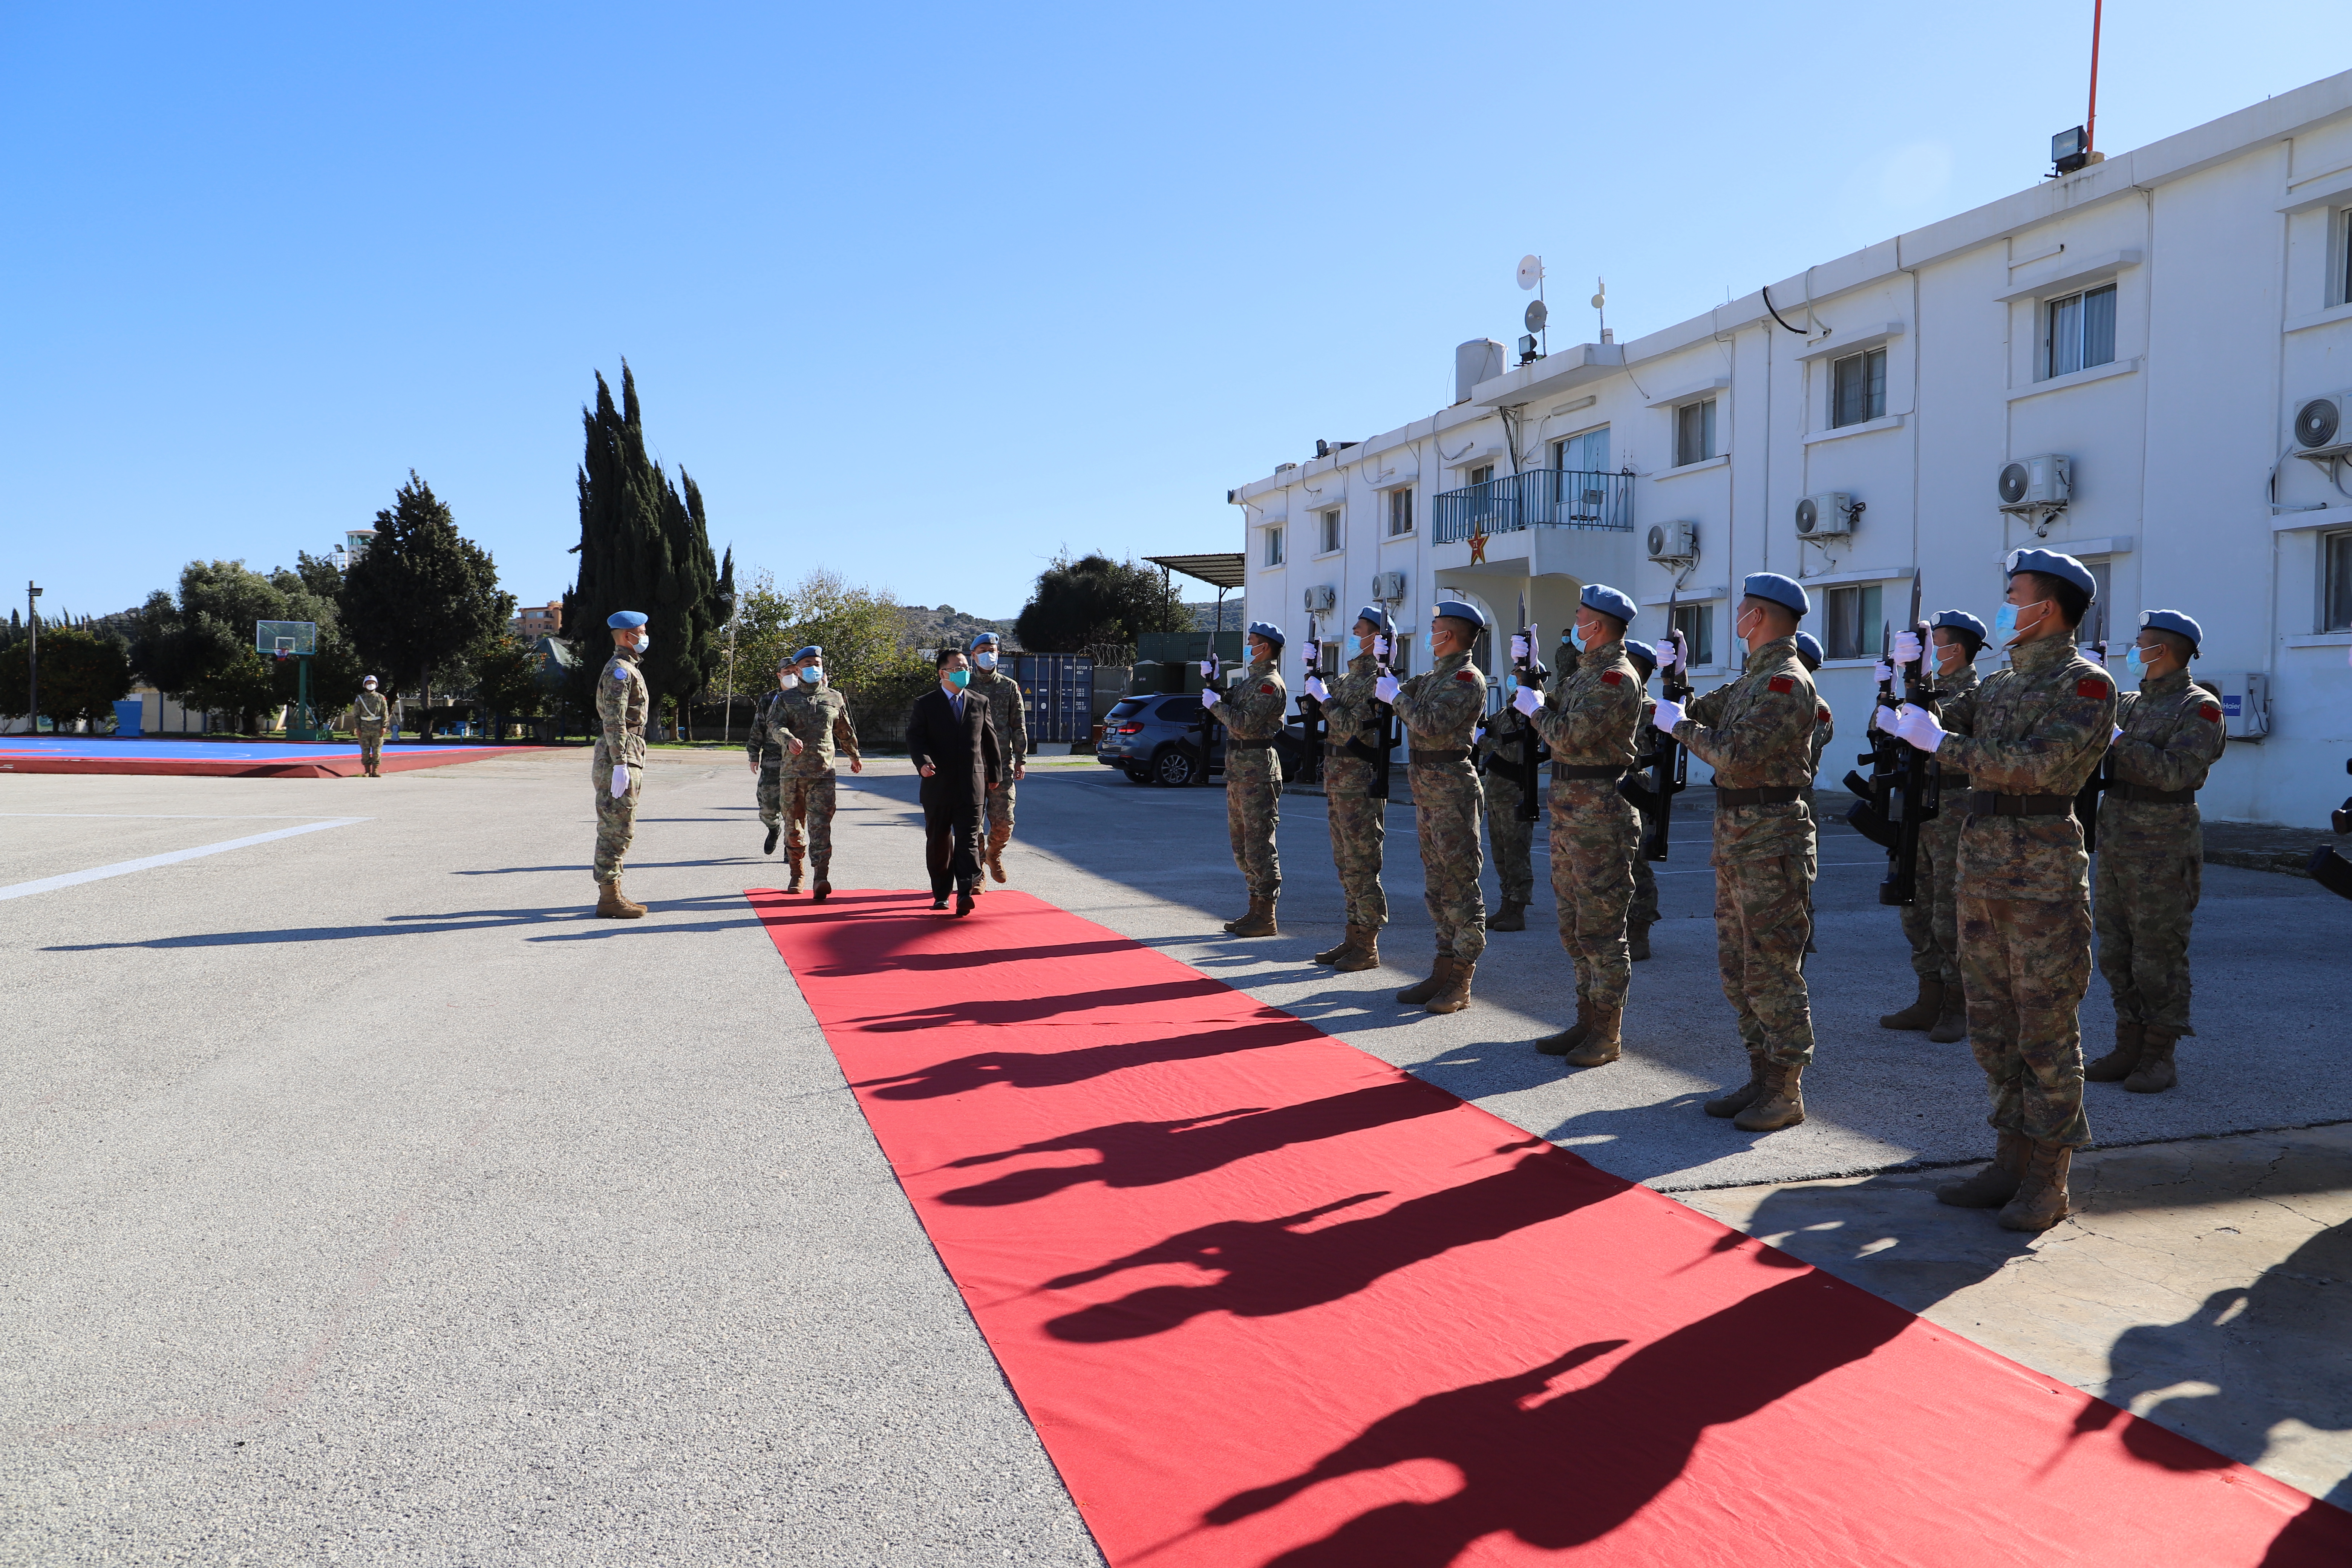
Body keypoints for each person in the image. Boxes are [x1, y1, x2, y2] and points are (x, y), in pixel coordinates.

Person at [1883, 548, 2117, 1231]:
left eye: (2016, 595)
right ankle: (2009, 1159)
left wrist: (1942, 747)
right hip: (1980, 868)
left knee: (2044, 1028)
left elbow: (2041, 768)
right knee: (1993, 1027)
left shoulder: (2086, 686)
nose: (2006, 606)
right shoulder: (2004, 683)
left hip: (2041, 873)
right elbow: (1948, 716)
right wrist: (1914, 674)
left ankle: (2050, 1179)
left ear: (2049, 608)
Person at [1657, 573, 1820, 1132]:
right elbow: (1705, 710)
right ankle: (1761, 1076)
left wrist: (1678, 726)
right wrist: (1676, 684)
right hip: (1738, 838)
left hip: (1771, 838)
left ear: (1763, 618)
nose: (1737, 620)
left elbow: (1735, 754)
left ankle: (1786, 1091)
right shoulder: (1753, 679)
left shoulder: (1785, 683)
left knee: (1773, 970)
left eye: (1743, 610)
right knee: (1739, 969)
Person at [2084, 609, 2227, 1095]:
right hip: (2118, 837)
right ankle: (2129, 1044)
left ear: (2161, 650)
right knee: (2117, 949)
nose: (2134, 649)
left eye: (2140, 642)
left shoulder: (2200, 707)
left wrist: (2120, 741)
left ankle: (2159, 1054)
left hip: (2165, 843)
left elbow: (2175, 773)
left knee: (2158, 953)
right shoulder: (2128, 702)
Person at [1516, 583, 1643, 1066]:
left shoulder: (1616, 678)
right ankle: (1586, 1018)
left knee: (1601, 928)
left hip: (1600, 813)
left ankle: (1606, 1033)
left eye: (1581, 615)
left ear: (1602, 625)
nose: (1575, 620)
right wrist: (1531, 680)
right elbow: (1556, 716)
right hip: (1571, 810)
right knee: (1573, 926)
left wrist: (1535, 710)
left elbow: (1569, 734)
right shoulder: (1585, 673)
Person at [1877, 610, 1986, 1043]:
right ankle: (1929, 998)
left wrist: (1915, 688)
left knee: (1949, 912)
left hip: (1952, 811)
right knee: (1915, 905)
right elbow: (1889, 736)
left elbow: (1945, 722)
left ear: (1953, 649)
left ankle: (1958, 1006)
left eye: (1933, 644)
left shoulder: (1977, 692)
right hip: (1916, 808)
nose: (1926, 652)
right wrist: (1889, 701)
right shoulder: (1927, 690)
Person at [1384, 598, 1489, 1015]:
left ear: (1451, 635)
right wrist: (1384, 668)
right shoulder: (1435, 675)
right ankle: (1443, 968)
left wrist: (1397, 697)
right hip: (1428, 790)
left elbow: (1428, 722)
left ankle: (1462, 978)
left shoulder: (1466, 678)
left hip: (1451, 789)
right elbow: (1395, 695)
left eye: (1435, 628)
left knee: (1460, 886)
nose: (1430, 635)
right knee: (1437, 888)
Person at [1302, 606, 1390, 971]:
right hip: (1338, 780)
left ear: (1377, 639)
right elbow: (1320, 709)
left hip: (1359, 782)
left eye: (1359, 631)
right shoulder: (1347, 677)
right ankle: (1353, 935)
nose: (1353, 636)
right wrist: (1314, 677)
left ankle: (1368, 946)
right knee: (1345, 865)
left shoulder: (1377, 682)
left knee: (1362, 863)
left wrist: (1324, 699)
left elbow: (1355, 727)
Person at [1203, 621, 1289, 936]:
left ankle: (1266, 915)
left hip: (1258, 772)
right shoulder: (1252, 681)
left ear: (1264, 647)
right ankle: (1254, 907)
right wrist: (1214, 683)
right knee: (1242, 846)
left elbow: (1243, 723)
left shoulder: (1270, 684)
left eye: (1250, 641)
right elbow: (1232, 701)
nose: (1247, 645)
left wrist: (1215, 706)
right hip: (1239, 771)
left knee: (1259, 846)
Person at [759, 645, 862, 901]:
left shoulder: (834, 698)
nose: (814, 668)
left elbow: (844, 729)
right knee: (794, 828)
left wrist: (853, 754)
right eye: (807, 665)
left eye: (817, 663)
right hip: (792, 775)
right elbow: (774, 725)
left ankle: (821, 876)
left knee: (821, 827)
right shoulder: (785, 699)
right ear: (796, 670)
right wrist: (788, 738)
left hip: (823, 773)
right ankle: (797, 874)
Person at [907, 646, 1002, 916]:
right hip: (937, 783)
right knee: (939, 839)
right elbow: (915, 738)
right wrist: (923, 763)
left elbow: (990, 740)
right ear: (943, 672)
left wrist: (994, 774)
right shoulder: (926, 704)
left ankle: (964, 891)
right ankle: (941, 894)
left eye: (965, 668)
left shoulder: (979, 701)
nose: (964, 672)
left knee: (969, 839)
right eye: (958, 668)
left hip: (972, 784)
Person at [1476, 648, 1547, 932]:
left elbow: (1513, 754)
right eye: (1513, 675)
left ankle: (1517, 911)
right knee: (1500, 854)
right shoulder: (1507, 712)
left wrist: (1483, 742)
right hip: (1495, 793)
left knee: (1517, 854)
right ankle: (1506, 904)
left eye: (1519, 676)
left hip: (1515, 792)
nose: (1513, 679)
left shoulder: (1528, 716)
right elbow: (1490, 732)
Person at [593, 611, 652, 919]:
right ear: (626, 636)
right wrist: (619, 762)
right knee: (616, 827)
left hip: (629, 751)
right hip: (621, 754)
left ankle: (612, 893)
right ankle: (609, 898)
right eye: (641, 632)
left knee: (621, 825)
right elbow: (615, 719)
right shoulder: (619, 670)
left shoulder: (628, 668)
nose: (645, 637)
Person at [965, 631, 1028, 887]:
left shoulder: (1009, 687)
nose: (988, 655)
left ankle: (994, 854)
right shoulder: (965, 686)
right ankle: (978, 871)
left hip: (1002, 766)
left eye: (992, 651)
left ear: (998, 654)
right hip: (971, 767)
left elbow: (1018, 725)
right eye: (983, 651)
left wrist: (1022, 758)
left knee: (1004, 822)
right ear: (973, 656)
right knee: (972, 823)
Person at [745, 655, 806, 880]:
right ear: (779, 675)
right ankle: (773, 828)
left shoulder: (806, 697)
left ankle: (791, 848)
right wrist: (754, 754)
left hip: (798, 760)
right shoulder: (768, 699)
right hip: (772, 759)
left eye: (795, 671)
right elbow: (758, 726)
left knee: (794, 807)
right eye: (787, 672)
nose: (792, 676)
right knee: (768, 807)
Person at [1620, 638, 1661, 962]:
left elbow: (1653, 754)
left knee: (1638, 863)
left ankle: (1640, 930)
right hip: (1609, 791)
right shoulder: (1617, 703)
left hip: (1637, 788)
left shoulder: (1651, 710)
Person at [1794, 631, 1833, 957]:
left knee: (1797, 874)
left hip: (1799, 798)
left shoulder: (1817, 708)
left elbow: (1803, 751)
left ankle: (1804, 934)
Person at [352, 675, 389, 778]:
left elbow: (385, 713)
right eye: (368, 683)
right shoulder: (360, 699)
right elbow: (356, 715)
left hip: (377, 727)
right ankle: (367, 771)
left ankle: (375, 770)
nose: (371, 685)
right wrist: (358, 728)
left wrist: (384, 726)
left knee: (377, 750)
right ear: (365, 685)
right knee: (365, 750)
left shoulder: (381, 698)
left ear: (376, 685)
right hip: (364, 728)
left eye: (372, 683)